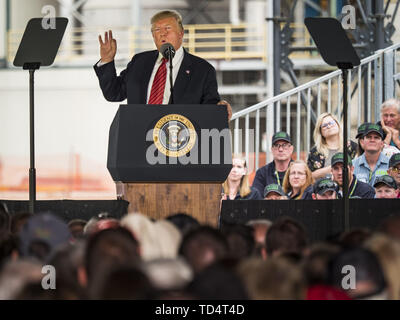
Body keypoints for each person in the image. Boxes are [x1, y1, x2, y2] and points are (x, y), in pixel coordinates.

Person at [94, 10, 232, 120]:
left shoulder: (202, 70)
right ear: (153, 37)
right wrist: (107, 60)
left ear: (181, 33)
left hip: (181, 143)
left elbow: (210, 107)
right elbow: (113, 93)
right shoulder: (139, 62)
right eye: (157, 30)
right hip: (139, 139)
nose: (162, 33)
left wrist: (220, 108)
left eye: (168, 28)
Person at [307, 113, 357, 180]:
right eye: (324, 125)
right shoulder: (315, 151)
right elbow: (309, 176)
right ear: (320, 132)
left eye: (331, 123)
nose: (329, 126)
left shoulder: (352, 146)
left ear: (337, 124)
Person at [252, 132, 293, 196]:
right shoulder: (262, 173)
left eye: (284, 145)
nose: (280, 149)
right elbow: (257, 198)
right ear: (272, 150)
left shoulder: (299, 171)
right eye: (276, 145)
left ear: (291, 149)